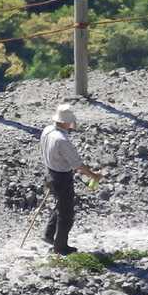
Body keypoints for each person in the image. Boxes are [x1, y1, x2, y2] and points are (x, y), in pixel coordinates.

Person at [40, 105, 105, 256]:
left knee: (60, 205)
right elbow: (77, 165)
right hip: (61, 177)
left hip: (49, 172)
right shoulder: (62, 140)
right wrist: (94, 176)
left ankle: (49, 234)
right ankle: (60, 247)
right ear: (66, 122)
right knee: (66, 214)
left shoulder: (47, 130)